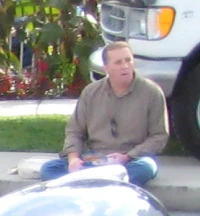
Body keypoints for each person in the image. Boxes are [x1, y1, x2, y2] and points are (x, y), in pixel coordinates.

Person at [40, 43, 166, 186]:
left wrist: (127, 157)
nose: (125, 66)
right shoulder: (91, 92)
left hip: (131, 160)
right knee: (49, 169)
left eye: (128, 60)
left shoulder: (152, 92)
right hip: (95, 159)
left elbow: (159, 136)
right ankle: (104, 184)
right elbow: (75, 131)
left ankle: (91, 185)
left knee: (146, 168)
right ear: (106, 68)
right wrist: (73, 159)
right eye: (118, 62)